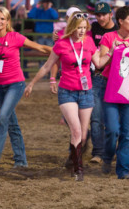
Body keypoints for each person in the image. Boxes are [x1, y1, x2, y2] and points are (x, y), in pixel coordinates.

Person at [24, 12, 110, 181]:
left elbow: (99, 63)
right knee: (76, 130)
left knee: (83, 136)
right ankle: (79, 169)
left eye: (85, 28)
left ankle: (73, 160)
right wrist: (32, 82)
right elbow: (47, 66)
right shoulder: (62, 44)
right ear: (72, 28)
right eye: (79, 28)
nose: (82, 31)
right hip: (67, 92)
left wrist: (112, 52)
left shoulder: (90, 42)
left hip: (86, 92)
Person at [0, 6, 51, 168]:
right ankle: (21, 161)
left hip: (16, 84)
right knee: (11, 123)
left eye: (2, 19)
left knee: (2, 118)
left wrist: (61, 51)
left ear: (8, 22)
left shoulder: (15, 37)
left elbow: (40, 47)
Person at [99, 6, 129, 179]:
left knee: (126, 132)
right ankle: (108, 157)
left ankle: (123, 170)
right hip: (109, 86)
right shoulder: (109, 37)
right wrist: (114, 49)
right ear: (121, 21)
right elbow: (101, 63)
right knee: (112, 130)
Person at [88, 1, 118, 164]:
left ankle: (111, 148)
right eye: (98, 15)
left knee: (113, 117)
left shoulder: (117, 31)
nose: (100, 18)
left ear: (110, 14)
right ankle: (98, 151)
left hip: (115, 77)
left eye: (103, 15)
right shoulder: (92, 28)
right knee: (96, 116)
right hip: (97, 75)